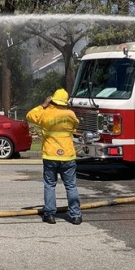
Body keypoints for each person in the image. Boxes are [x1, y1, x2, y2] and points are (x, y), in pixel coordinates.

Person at [26, 88, 82, 226]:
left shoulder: (46, 114)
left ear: (53, 100)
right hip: (68, 156)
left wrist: (44, 105)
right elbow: (75, 126)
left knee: (50, 185)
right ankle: (76, 216)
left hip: (50, 155)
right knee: (71, 186)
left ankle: (50, 215)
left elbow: (29, 115)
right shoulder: (70, 114)